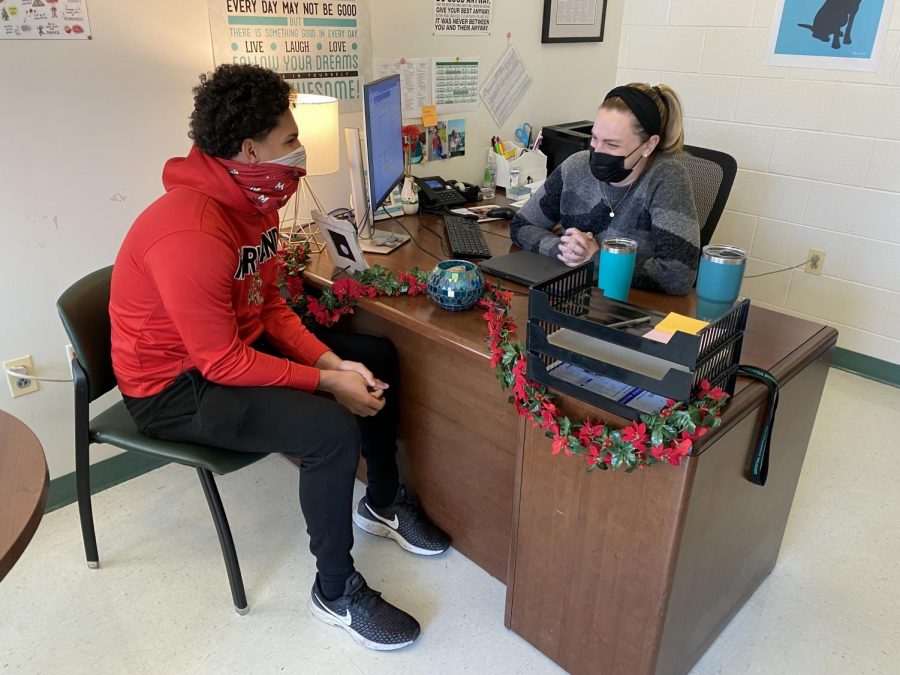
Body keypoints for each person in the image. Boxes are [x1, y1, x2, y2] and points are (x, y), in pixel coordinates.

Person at [109, 64, 449, 651]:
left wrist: (331, 364)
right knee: (329, 429)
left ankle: (383, 502)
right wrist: (326, 388)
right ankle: (336, 591)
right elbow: (219, 364)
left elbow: (268, 311)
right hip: (174, 388)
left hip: (230, 352)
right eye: (290, 140)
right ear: (249, 147)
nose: (299, 150)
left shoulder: (252, 202)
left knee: (375, 356)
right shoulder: (190, 232)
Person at [510, 83, 700, 296]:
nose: (597, 151)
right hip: (573, 294)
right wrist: (564, 249)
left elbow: (678, 275)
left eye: (612, 144)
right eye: (595, 138)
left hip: (634, 308)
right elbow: (522, 225)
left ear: (649, 145)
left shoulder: (667, 177)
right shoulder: (576, 166)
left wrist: (597, 259)